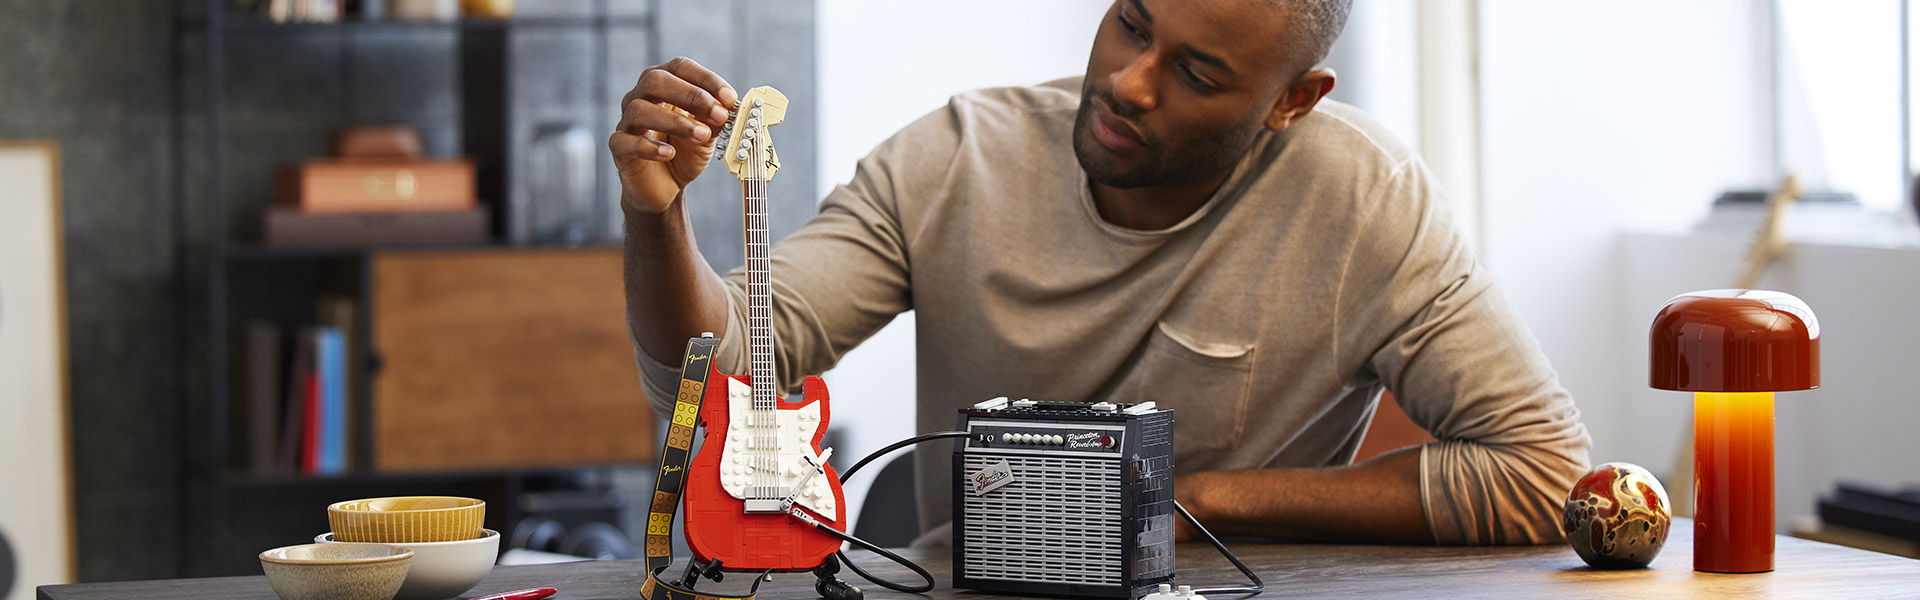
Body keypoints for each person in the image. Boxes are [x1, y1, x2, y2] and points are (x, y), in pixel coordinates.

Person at [613, 0, 1590, 546]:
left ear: (1294, 100)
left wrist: (1196, 499)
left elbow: (1548, 476)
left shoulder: (1363, 200)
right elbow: (724, 374)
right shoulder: (958, 157)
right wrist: (655, 215)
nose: (1130, 79)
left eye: (1198, 74)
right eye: (1131, 21)